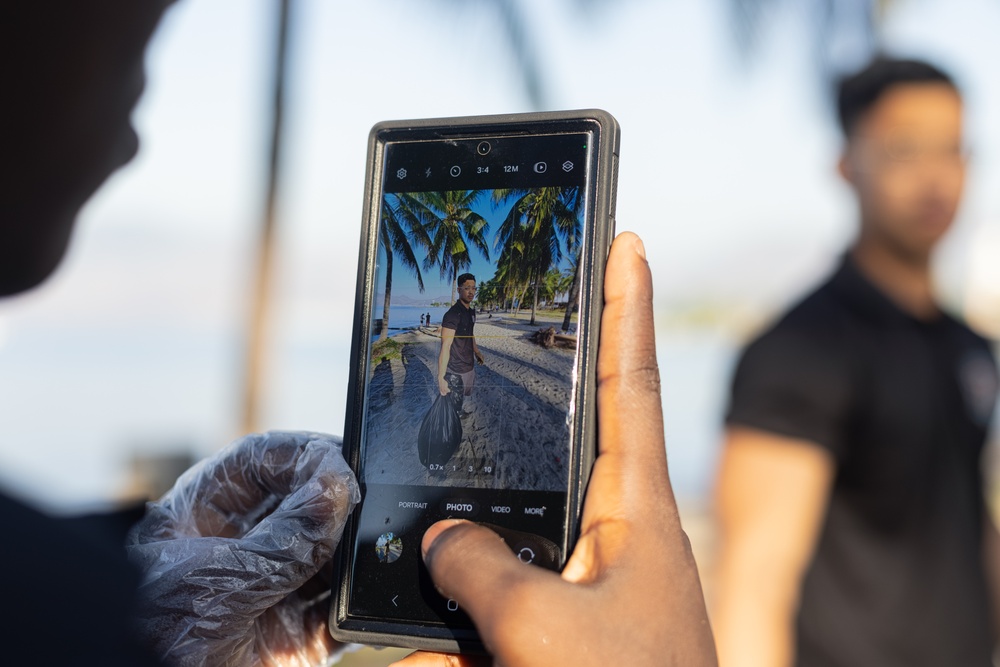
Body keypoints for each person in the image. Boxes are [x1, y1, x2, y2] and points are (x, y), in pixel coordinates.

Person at [1, 1, 719, 665]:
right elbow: (443, 342)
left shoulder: (57, 604)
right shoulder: (65, 613)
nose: (134, 130)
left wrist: (122, 575)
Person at [714, 57, 1000, 667]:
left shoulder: (967, 346)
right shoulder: (800, 350)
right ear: (847, 165)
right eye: (904, 150)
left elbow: (964, 522)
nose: (935, 177)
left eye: (951, 149)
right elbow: (754, 582)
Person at [438, 274, 485, 417]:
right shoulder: (452, 314)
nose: (471, 292)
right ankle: (455, 417)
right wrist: (441, 377)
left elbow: (470, 334)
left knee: (460, 397)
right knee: (453, 401)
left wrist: (477, 352)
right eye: (467, 288)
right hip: (456, 367)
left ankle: (458, 411)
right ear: (459, 290)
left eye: (473, 288)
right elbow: (445, 345)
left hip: (469, 364)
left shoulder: (471, 312)